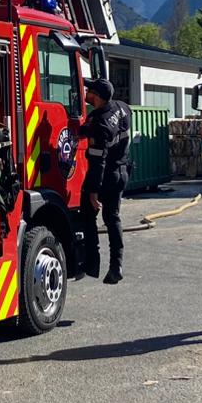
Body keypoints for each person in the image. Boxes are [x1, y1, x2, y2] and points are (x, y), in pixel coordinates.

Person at [75, 77, 131, 285]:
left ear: (96, 97)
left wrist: (93, 191)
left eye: (89, 91)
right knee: (113, 218)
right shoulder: (122, 107)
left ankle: (91, 263)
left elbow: (98, 162)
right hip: (122, 171)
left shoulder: (100, 124)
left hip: (106, 176)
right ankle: (116, 266)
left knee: (87, 215)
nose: (86, 94)